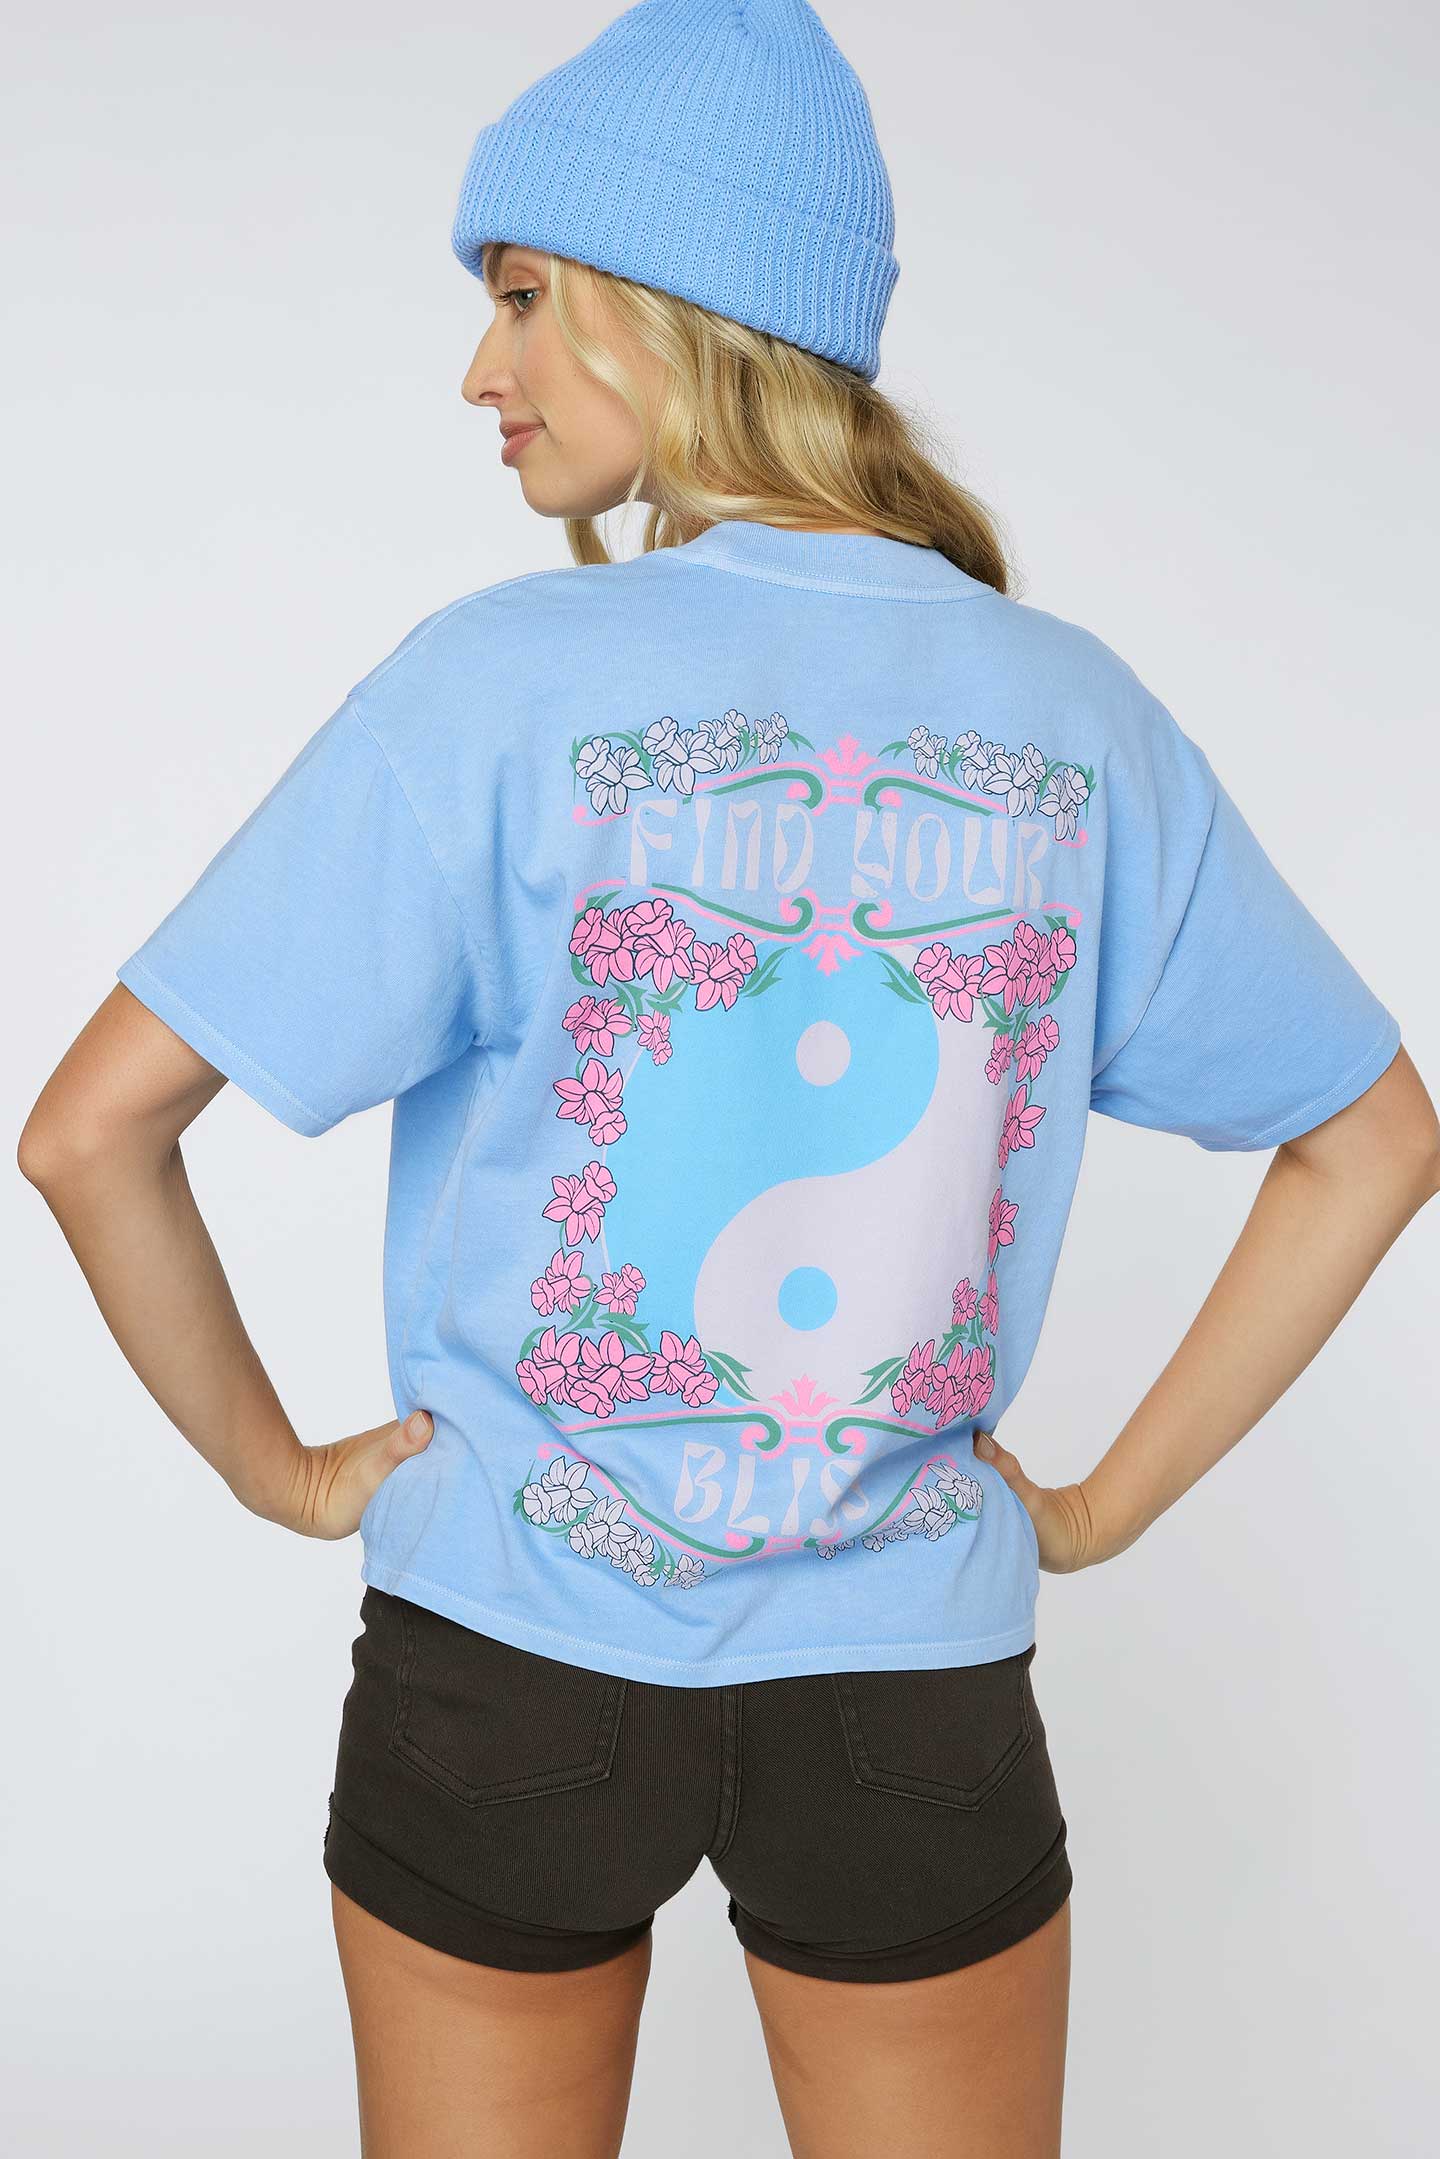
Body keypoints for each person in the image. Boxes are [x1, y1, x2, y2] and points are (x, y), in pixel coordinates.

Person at [18, 2, 1439, 2154]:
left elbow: (88, 1130)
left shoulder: (493, 690)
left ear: (667, 304)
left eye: (520, 295)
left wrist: (281, 1475)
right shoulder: (1075, 719)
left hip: (503, 1669)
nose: (478, 369)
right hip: (911, 1697)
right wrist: (1095, 1511)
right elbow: (1376, 1137)